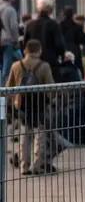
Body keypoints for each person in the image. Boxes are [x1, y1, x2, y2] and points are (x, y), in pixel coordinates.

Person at [5, 39, 57, 175]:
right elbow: (51, 88)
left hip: (22, 106)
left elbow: (9, 87)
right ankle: (37, 165)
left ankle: (24, 166)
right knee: (40, 135)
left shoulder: (16, 66)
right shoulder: (44, 66)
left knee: (24, 134)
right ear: (39, 51)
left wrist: (11, 105)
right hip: (39, 105)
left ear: (25, 51)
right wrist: (50, 101)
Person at [24, 0, 66, 78]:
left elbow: (25, 44)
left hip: (33, 62)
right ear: (49, 10)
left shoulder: (29, 25)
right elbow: (59, 44)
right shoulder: (54, 24)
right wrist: (62, 55)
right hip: (51, 61)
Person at [59, 6, 85, 78]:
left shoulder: (59, 26)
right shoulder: (76, 26)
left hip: (63, 50)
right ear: (72, 15)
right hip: (75, 50)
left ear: (63, 14)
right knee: (77, 69)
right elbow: (83, 40)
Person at [0, 0, 19, 85]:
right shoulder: (11, 10)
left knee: (1, 65)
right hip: (8, 40)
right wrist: (16, 39)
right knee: (7, 67)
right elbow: (13, 26)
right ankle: (5, 87)